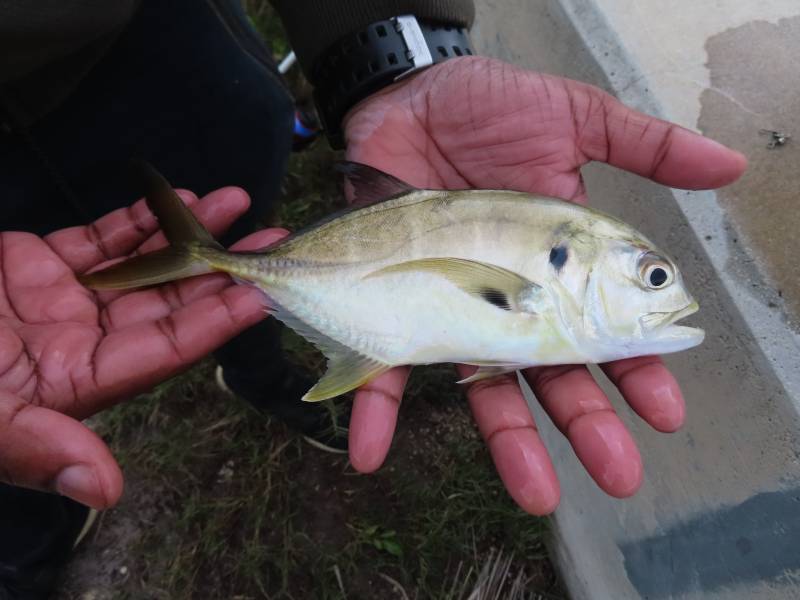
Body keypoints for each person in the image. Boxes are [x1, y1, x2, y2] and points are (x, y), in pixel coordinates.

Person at [0, 0, 747, 597]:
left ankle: (248, 357)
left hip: (134, 21)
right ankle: (26, 545)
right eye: (652, 278)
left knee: (243, 130)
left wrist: (388, 51)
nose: (662, 295)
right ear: (573, 265)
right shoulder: (554, 261)